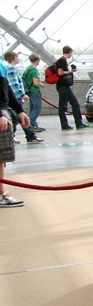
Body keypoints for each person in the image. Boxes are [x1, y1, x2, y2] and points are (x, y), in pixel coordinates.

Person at [0, 73, 31, 207]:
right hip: (2, 116)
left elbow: (8, 93)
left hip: (4, 115)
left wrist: (20, 111)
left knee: (1, 158)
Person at [2, 52, 43, 144]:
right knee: (19, 117)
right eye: (17, 56)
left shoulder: (9, 68)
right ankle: (28, 136)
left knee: (18, 118)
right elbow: (14, 84)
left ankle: (27, 136)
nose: (19, 58)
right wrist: (21, 94)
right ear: (14, 57)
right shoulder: (11, 69)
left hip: (14, 98)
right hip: (16, 98)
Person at [53, 45, 87, 130]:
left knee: (62, 106)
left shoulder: (60, 60)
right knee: (75, 104)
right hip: (64, 86)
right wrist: (70, 71)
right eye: (72, 53)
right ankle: (79, 123)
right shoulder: (63, 60)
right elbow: (60, 72)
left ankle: (64, 125)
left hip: (60, 86)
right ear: (70, 52)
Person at [22, 54, 44, 132]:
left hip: (29, 91)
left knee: (32, 108)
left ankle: (33, 124)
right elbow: (35, 83)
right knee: (37, 108)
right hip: (34, 91)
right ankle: (31, 124)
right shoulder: (34, 70)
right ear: (37, 60)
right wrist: (41, 84)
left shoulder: (28, 68)